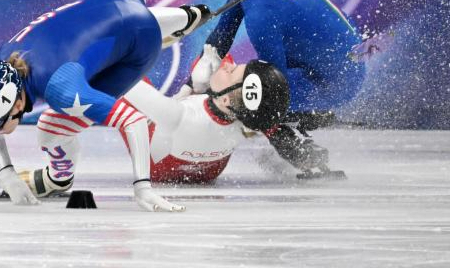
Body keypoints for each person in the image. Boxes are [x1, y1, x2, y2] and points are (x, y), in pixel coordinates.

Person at [0, 0, 214, 212]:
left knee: (50, 129)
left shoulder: (61, 89)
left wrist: (142, 188)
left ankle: (58, 178)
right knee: (120, 30)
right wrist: (7, 174)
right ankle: (185, 17)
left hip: (139, 44)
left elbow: (133, 121)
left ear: (15, 105)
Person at [191, 0, 366, 177]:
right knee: (228, 82)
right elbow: (224, 32)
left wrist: (265, 126)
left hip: (333, 82)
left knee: (240, 93)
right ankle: (296, 135)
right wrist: (193, 81)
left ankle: (302, 152)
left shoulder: (262, 10)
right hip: (342, 64)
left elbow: (273, 90)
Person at [22, 45, 289, 189]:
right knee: (212, 61)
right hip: (208, 171)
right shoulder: (250, 121)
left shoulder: (179, 116)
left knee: (116, 77)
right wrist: (193, 87)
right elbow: (266, 110)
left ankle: (56, 173)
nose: (229, 65)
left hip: (159, 166)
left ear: (226, 99)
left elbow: (128, 80)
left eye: (231, 72)